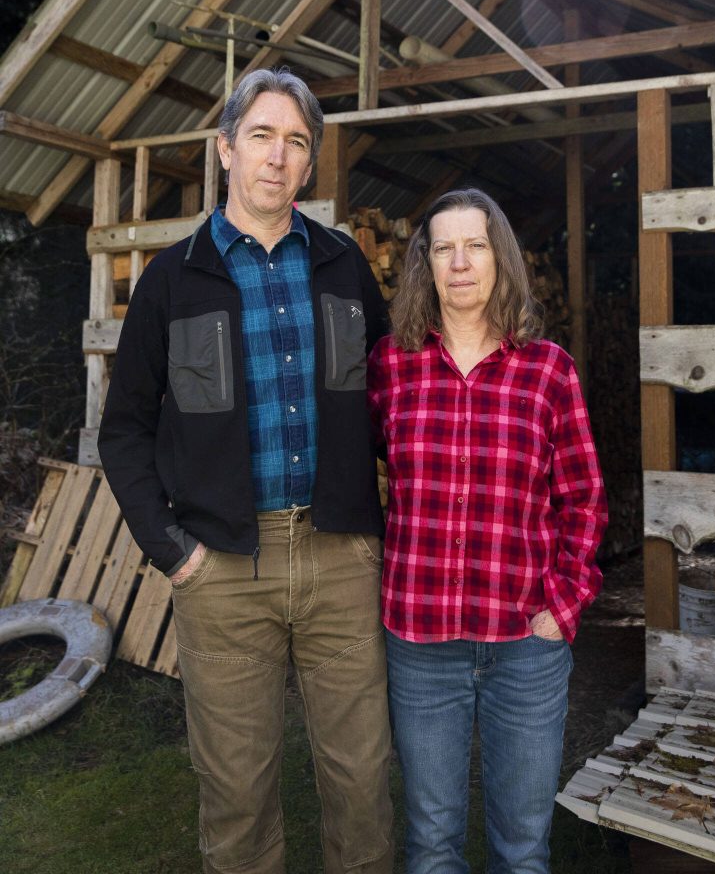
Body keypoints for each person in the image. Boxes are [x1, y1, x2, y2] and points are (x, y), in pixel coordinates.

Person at [98, 68, 394, 874]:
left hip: (340, 557)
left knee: (362, 781)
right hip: (222, 567)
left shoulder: (342, 265)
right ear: (225, 149)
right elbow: (122, 432)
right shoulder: (172, 279)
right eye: (261, 135)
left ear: (309, 163)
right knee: (236, 793)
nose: (277, 155)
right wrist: (174, 552)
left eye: (295, 141)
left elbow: (392, 401)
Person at [367, 188, 607, 874]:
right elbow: (357, 473)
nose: (459, 263)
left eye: (474, 246)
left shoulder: (548, 369)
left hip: (524, 644)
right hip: (421, 643)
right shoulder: (391, 365)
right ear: (424, 264)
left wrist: (562, 607)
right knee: (431, 842)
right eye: (443, 248)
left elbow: (584, 499)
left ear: (499, 259)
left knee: (522, 846)